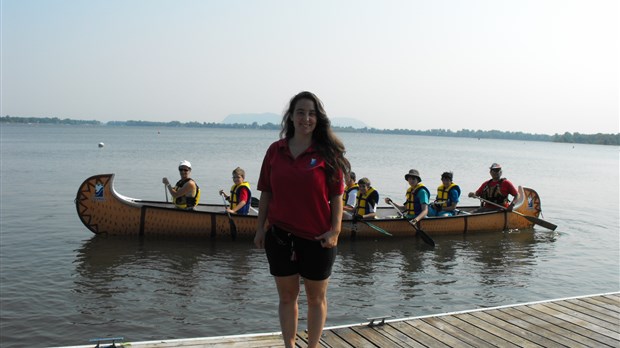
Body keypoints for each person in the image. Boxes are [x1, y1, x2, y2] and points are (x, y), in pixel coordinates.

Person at [253, 91, 351, 348]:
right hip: (280, 236)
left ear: (318, 119)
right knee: (287, 297)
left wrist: (335, 231)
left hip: (318, 238)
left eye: (311, 113)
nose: (306, 118)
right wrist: (260, 229)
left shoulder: (327, 154)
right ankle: (289, 345)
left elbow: (337, 197)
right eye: (300, 112)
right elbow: (266, 191)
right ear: (291, 117)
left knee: (315, 298)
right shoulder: (276, 150)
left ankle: (313, 345)